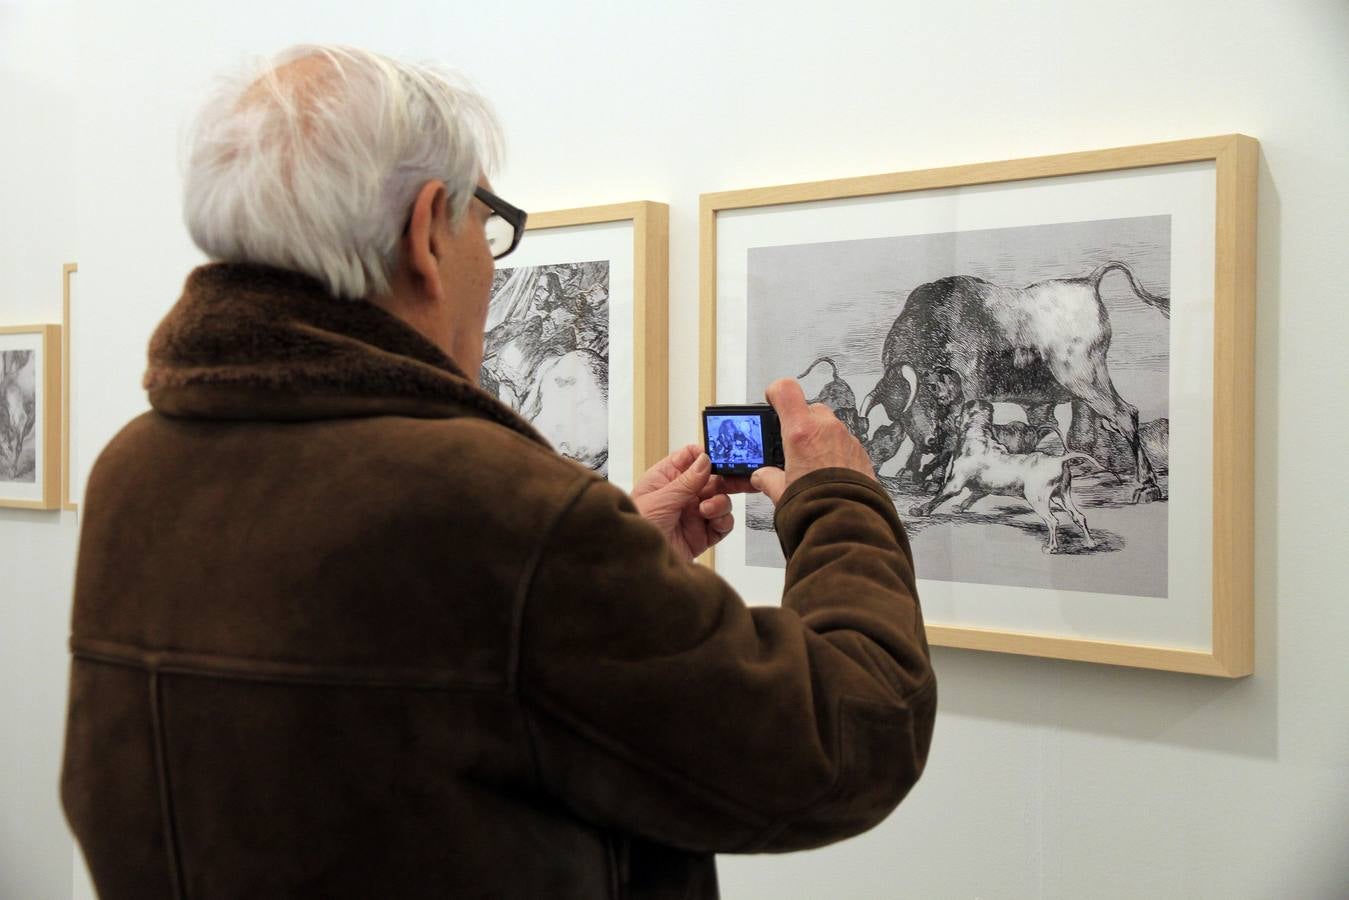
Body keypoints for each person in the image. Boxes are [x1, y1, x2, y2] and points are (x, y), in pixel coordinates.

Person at [60, 45, 936, 899]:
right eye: (488, 225)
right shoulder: (496, 513)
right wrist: (837, 496)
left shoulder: (134, 469)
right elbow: (850, 733)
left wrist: (613, 552)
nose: (489, 258)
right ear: (425, 233)